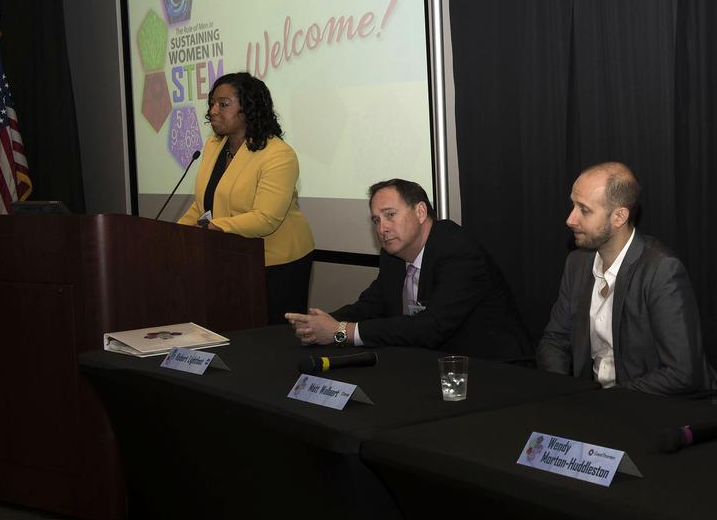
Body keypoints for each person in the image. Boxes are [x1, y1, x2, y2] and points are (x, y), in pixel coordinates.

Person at [285, 179, 531, 361]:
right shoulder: (394, 254)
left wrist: (340, 332)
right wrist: (320, 323)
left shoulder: (458, 251)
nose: (382, 228)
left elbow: (431, 327)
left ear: (421, 212)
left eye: (390, 215)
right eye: (376, 220)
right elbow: (372, 304)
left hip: (494, 369)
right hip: (433, 364)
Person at [537, 162, 713, 394]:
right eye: (573, 205)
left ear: (619, 216)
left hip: (648, 404)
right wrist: (565, 392)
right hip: (589, 401)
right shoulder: (577, 262)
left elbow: (682, 373)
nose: (570, 219)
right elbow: (554, 341)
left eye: (584, 210)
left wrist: (604, 400)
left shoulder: (661, 271)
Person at [178, 72, 314, 324]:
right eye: (212, 103)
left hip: (276, 263)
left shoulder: (278, 154)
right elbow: (204, 203)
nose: (213, 111)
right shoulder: (214, 146)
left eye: (223, 104)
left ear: (249, 109)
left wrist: (213, 227)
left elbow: (266, 218)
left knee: (271, 339)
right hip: (230, 256)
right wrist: (175, 233)